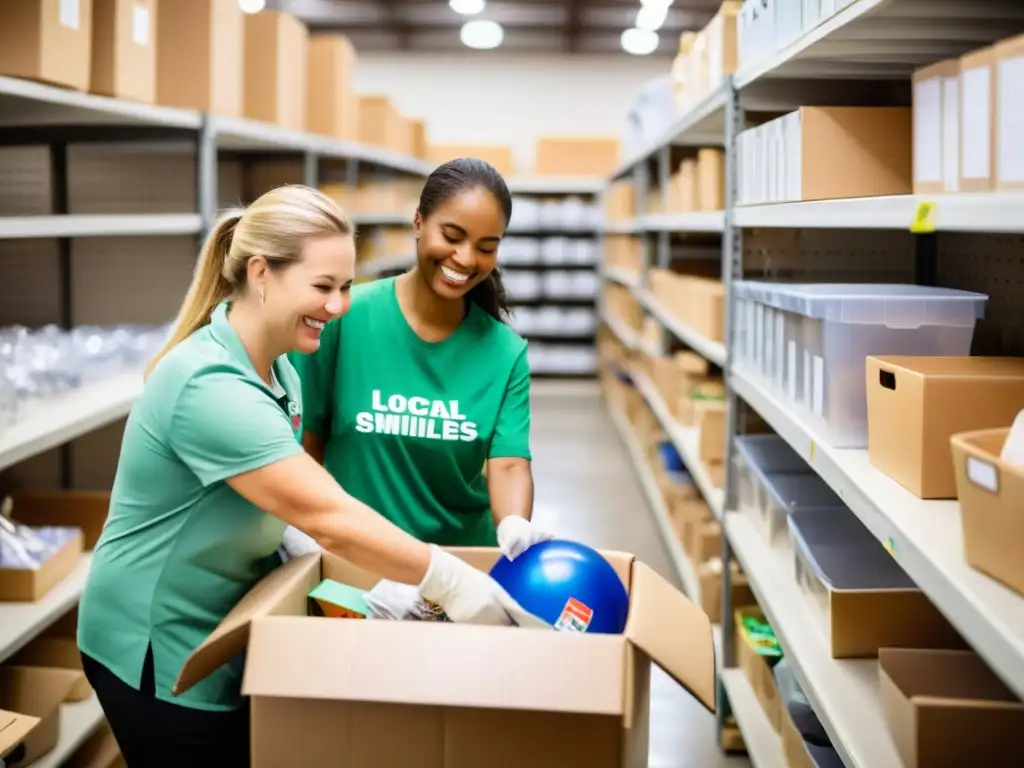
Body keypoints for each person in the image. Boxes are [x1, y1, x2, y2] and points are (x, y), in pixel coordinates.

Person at [75, 185, 522, 768]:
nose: (340, 307)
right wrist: (454, 582)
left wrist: (376, 584)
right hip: (158, 641)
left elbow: (281, 506)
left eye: (344, 287)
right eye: (323, 287)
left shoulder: (281, 365)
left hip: (224, 620)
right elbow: (325, 512)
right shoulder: (208, 386)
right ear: (261, 273)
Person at [285, 158, 551, 563]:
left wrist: (514, 524)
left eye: (486, 247)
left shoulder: (505, 352)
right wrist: (310, 533)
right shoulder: (344, 317)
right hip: (356, 562)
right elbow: (306, 443)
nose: (465, 258)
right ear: (418, 223)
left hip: (460, 567)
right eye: (452, 236)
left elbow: (510, 464)